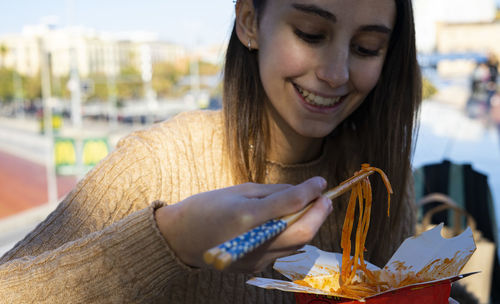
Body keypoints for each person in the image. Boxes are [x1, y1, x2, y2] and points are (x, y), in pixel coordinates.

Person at [0, 0, 421, 303]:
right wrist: (172, 240)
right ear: (250, 22)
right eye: (310, 34)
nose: (335, 73)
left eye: (366, 47)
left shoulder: (383, 180)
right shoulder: (156, 165)